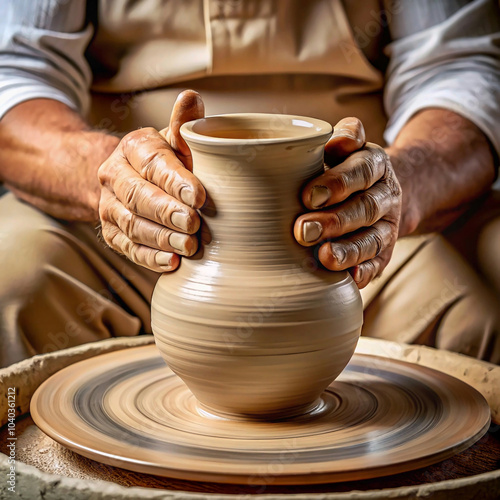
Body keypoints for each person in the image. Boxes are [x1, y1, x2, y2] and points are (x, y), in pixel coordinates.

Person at [0, 0, 499, 367]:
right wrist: (108, 175)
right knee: (13, 283)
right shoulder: (121, 188)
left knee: (483, 301)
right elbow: (17, 73)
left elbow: (457, 67)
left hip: (349, 219)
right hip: (133, 211)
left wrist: (398, 188)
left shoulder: (374, 202)